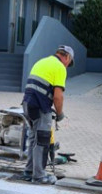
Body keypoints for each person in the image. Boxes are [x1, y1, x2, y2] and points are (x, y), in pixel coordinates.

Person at [20, 45, 74, 184]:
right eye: (69, 63)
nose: (67, 66)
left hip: (27, 104)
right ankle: (39, 176)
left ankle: (29, 171)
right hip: (40, 107)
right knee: (42, 140)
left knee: (33, 138)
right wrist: (60, 114)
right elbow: (58, 97)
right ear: (67, 57)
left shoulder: (42, 61)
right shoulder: (59, 67)